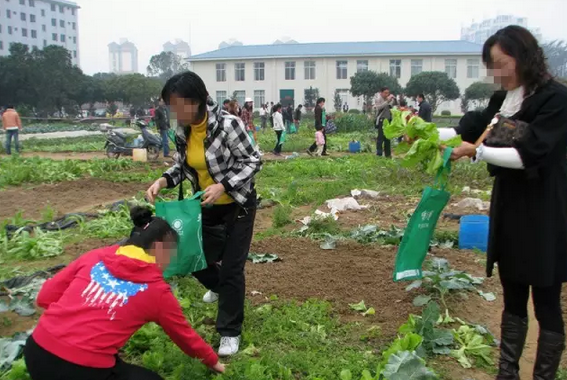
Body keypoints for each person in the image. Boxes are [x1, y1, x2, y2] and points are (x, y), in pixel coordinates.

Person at [436, 26, 567, 380]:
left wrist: (477, 153)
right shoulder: (504, 98)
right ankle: (506, 373)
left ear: (524, 58)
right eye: (490, 65)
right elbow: (471, 127)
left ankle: (544, 376)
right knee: (512, 294)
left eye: (500, 63)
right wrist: (422, 132)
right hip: (510, 206)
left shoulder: (555, 99)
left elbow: (531, 153)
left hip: (543, 211)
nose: (495, 73)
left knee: (546, 298)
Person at [23, 206, 225, 380]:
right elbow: (184, 336)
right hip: (81, 370)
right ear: (159, 247)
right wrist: (214, 362)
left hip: (36, 350)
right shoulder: (156, 290)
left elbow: (45, 297)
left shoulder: (95, 256)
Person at [146, 71, 261, 357]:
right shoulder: (183, 131)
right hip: (205, 206)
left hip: (238, 204)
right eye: (169, 106)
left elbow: (254, 160)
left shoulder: (228, 125)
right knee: (192, 257)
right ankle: (221, 288)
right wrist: (162, 180)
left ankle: (229, 332)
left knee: (232, 269)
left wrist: (224, 185)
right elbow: (183, 167)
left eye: (177, 105)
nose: (173, 112)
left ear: (196, 101)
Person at [375, 87, 395, 157]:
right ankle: (379, 153)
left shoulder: (389, 99)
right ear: (381, 92)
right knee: (380, 137)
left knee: (388, 137)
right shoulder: (378, 99)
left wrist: (393, 100)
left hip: (388, 120)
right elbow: (379, 107)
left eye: (388, 93)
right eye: (385, 93)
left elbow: (391, 106)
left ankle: (388, 154)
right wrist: (387, 101)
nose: (387, 94)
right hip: (381, 120)